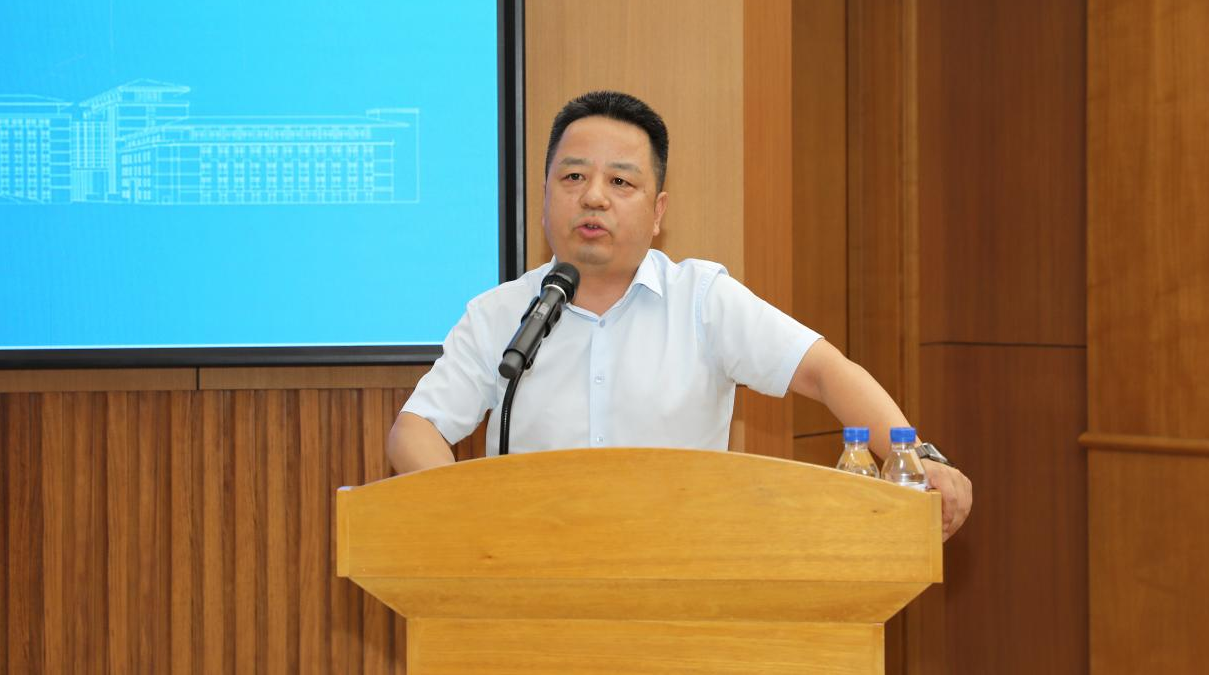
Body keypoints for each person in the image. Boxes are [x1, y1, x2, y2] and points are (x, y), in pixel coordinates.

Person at [388, 90, 972, 540]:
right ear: (544, 197)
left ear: (658, 211)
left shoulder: (702, 299)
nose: (594, 196)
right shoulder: (499, 315)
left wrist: (919, 458)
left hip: (680, 574)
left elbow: (824, 371)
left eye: (621, 181)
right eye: (574, 177)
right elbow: (416, 430)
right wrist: (470, 519)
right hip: (528, 575)